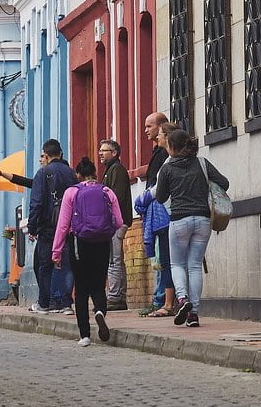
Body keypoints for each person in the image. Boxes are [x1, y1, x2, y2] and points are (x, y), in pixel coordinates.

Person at [154, 129, 230, 328]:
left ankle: (182, 299)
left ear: (171, 147)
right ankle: (194, 313)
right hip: (203, 220)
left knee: (177, 264)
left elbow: (160, 197)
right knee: (195, 265)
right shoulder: (202, 163)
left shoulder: (167, 168)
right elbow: (224, 183)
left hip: (179, 220)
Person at [53, 157, 124, 347]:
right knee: (99, 284)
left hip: (79, 243)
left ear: (78, 175)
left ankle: (84, 335)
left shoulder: (71, 192)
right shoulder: (106, 191)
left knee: (82, 288)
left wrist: (56, 251)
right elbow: (118, 221)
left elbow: (63, 225)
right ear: (95, 173)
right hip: (102, 243)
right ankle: (100, 311)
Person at [27, 139, 77, 314]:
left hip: (49, 227)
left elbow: (37, 203)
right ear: (61, 154)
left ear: (46, 156)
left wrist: (32, 227)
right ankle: (66, 303)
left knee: (44, 265)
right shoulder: (71, 173)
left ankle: (45, 302)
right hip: (69, 226)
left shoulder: (43, 173)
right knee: (66, 264)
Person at [137, 119, 178, 317]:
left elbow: (160, 188)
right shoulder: (161, 154)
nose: (146, 130)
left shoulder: (167, 159)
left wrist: (145, 198)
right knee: (175, 261)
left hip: (168, 214)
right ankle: (180, 302)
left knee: (168, 261)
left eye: (150, 126)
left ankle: (166, 301)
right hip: (175, 215)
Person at [98, 139, 132, 310]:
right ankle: (119, 296)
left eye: (104, 150)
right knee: (117, 260)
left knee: (114, 260)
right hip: (115, 222)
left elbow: (115, 198)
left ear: (114, 153)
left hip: (116, 222)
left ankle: (114, 297)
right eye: (100, 150)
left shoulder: (116, 170)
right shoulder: (109, 170)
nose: (101, 153)